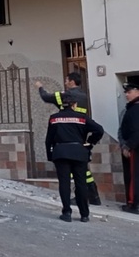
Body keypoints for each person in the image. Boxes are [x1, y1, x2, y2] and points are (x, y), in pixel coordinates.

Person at [35, 72, 101, 205]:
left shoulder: (66, 95)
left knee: (70, 171)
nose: (65, 83)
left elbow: (46, 97)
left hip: (65, 135)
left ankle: (79, 199)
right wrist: (91, 142)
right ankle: (93, 195)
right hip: (80, 134)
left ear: (71, 82)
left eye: (66, 80)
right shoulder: (84, 96)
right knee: (82, 169)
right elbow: (96, 128)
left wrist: (40, 87)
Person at [45, 92, 104, 222]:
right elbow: (99, 130)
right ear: (74, 105)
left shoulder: (54, 118)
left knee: (64, 183)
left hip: (60, 153)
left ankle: (66, 213)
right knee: (81, 183)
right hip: (79, 152)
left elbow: (48, 139)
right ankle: (84, 214)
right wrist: (90, 143)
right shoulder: (82, 117)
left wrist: (50, 155)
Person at [119, 79, 139, 214]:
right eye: (125, 92)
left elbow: (136, 130)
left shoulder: (136, 108)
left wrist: (128, 146)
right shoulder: (132, 107)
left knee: (134, 176)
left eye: (129, 92)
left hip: (135, 148)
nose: (126, 95)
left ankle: (133, 204)